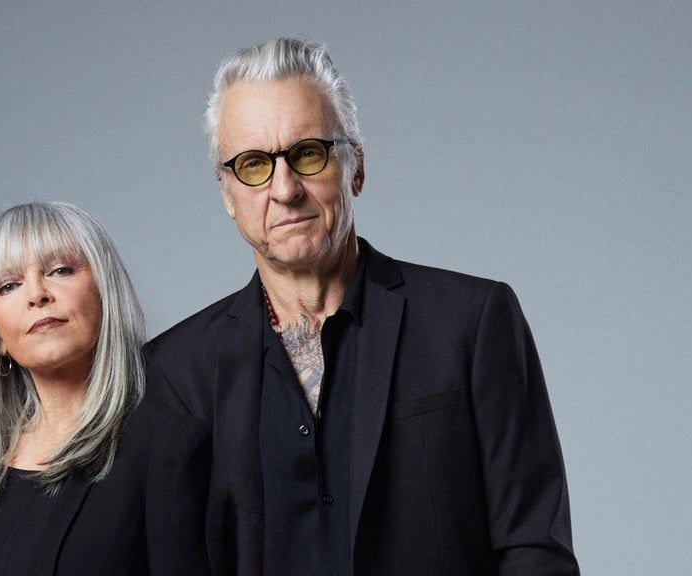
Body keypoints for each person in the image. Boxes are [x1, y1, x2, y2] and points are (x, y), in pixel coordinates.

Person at [145, 37, 580, 575]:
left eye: (308, 153)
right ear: (227, 194)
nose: (285, 189)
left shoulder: (471, 323)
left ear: (356, 167)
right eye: (253, 165)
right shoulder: (174, 374)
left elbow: (534, 549)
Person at [0, 202, 208, 575]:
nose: (37, 294)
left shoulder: (166, 446)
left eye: (60, 270)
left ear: (104, 293)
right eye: (8, 286)